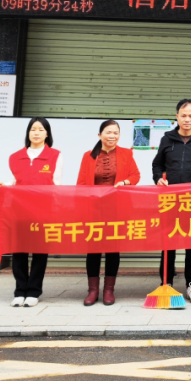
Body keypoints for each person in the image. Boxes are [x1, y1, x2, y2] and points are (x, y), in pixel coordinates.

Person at [152, 99, 191, 305]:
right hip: (170, 200)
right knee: (168, 243)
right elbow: (157, 165)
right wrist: (158, 178)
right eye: (183, 115)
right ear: (177, 117)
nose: (187, 119)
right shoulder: (167, 139)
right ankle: (166, 283)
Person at [0, 117, 62, 307]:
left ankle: (34, 291)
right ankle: (20, 291)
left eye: (40, 129)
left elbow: (56, 184)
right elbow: (15, 181)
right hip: (19, 210)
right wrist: (2, 184)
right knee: (19, 250)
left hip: (43, 210)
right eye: (33, 129)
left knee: (40, 251)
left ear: (47, 134)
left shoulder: (55, 155)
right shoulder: (15, 156)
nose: (36, 133)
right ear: (28, 133)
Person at [76, 119, 140, 306]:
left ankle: (109, 290)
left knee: (113, 250)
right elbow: (81, 184)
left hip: (116, 209)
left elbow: (135, 175)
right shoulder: (88, 156)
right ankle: (93, 291)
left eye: (116, 133)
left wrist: (125, 182)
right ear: (100, 135)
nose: (112, 136)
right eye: (108, 132)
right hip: (94, 209)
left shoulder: (126, 154)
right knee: (93, 251)